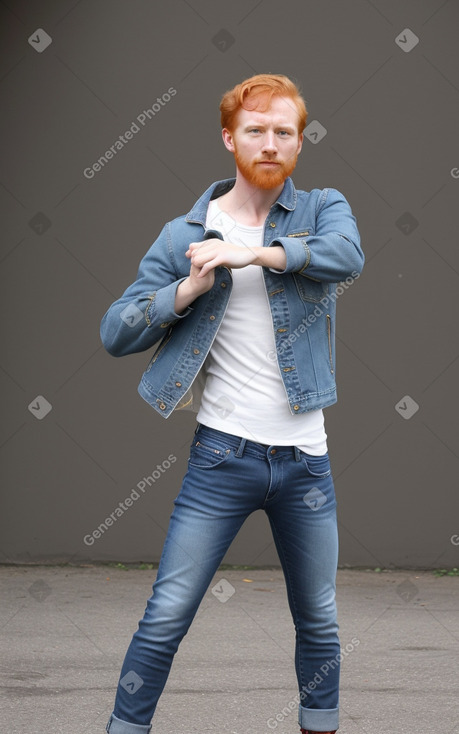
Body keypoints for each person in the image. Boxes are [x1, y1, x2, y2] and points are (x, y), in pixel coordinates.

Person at [100, 73, 364, 734]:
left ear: (299, 141)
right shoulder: (185, 231)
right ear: (229, 138)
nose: (270, 143)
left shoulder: (324, 208)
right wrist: (184, 293)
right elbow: (116, 331)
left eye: (284, 132)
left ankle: (318, 724)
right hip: (221, 458)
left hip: (305, 464)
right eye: (255, 130)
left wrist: (255, 254)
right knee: (166, 613)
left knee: (319, 618)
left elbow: (346, 256)